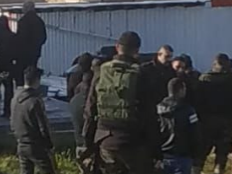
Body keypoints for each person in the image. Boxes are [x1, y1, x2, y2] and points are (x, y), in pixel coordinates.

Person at [83, 31, 158, 174]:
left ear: (117, 47)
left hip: (105, 140)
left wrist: (88, 143)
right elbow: (150, 115)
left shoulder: (101, 72)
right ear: (137, 51)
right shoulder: (141, 74)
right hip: (133, 142)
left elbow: (89, 110)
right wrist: (155, 150)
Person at [195, 54, 232, 174]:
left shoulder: (204, 78)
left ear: (214, 64)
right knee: (222, 155)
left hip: (206, 122)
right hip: (226, 123)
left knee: (200, 155)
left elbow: (198, 101)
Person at [11, 66, 55, 174]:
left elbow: (12, 120)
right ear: (37, 80)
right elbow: (43, 126)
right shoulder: (35, 101)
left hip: (21, 143)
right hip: (35, 144)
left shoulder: (15, 98)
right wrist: (49, 145)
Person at [158, 78, 201, 174]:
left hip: (162, 155)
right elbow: (195, 135)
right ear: (181, 90)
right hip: (182, 156)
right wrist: (197, 157)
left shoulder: (158, 110)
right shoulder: (188, 111)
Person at [0, 15, 18, 118]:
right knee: (8, 88)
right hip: (8, 64)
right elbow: (16, 51)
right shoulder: (12, 36)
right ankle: (7, 110)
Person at [16, 2, 47, 86]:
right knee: (33, 70)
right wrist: (37, 45)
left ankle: (22, 87)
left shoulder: (23, 21)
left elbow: (20, 38)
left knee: (22, 71)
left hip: (23, 53)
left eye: (23, 7)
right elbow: (43, 37)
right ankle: (32, 85)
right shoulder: (39, 21)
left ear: (27, 8)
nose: (22, 9)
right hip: (35, 52)